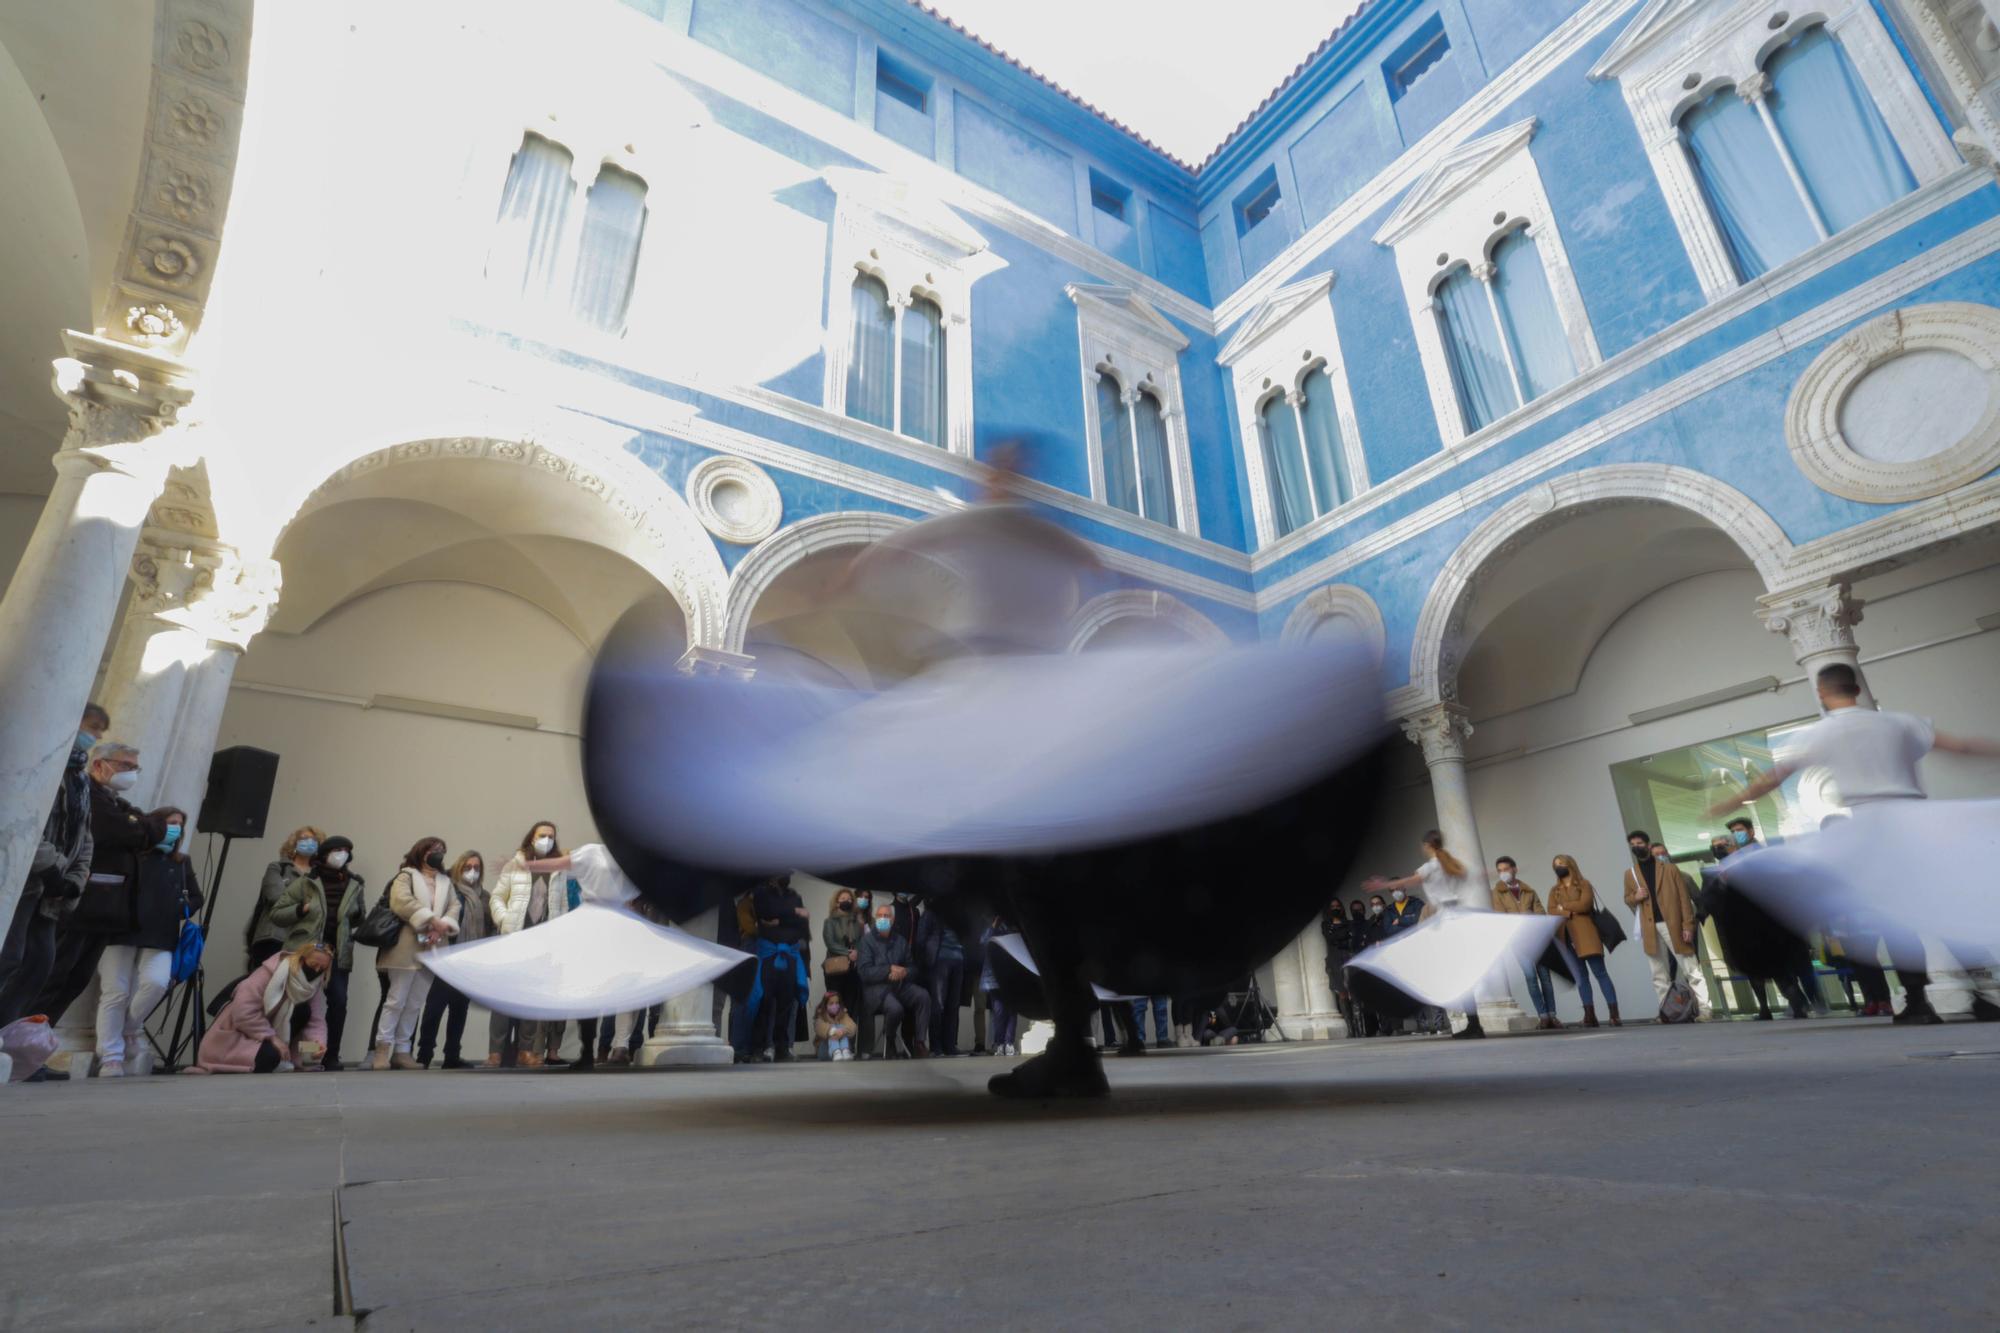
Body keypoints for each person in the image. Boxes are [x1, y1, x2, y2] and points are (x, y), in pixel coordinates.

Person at [1711, 663, 2000, 1025]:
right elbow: (1961, 746)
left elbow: (1775, 777)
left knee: (1897, 917)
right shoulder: (1899, 722)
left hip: (1873, 828)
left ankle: (1917, 1002)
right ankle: (1984, 996)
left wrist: (1731, 802)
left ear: (1821, 692)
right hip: (1917, 823)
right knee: (1943, 910)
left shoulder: (1824, 732)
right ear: (1857, 689)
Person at [32, 741, 171, 1040]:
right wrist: (140, 828)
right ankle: (21, 1044)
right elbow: (115, 830)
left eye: (135, 768)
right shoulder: (89, 795)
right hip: (80, 903)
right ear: (99, 764)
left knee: (75, 980)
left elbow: (152, 825)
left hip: (105, 910)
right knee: (53, 976)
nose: (131, 773)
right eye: (126, 766)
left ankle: (36, 1046)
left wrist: (141, 826)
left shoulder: (115, 802)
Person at [0, 705, 102, 1046]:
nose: (97, 737)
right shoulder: (45, 765)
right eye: (93, 727)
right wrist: (55, 867)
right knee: (10, 956)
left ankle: (11, 1037)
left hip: (53, 892)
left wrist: (75, 876)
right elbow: (26, 820)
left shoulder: (81, 779)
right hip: (29, 882)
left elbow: (84, 835)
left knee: (39, 966)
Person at [91, 806, 200, 1077]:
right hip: (120, 930)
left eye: (179, 824)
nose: (174, 828)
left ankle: (129, 1027)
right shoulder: (132, 854)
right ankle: (111, 1055)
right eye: (169, 822)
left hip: (161, 934)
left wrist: (177, 907)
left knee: (157, 982)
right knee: (115, 991)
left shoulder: (181, 862)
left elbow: (196, 897)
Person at [1370, 830, 1482, 1038]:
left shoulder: (1431, 866)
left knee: (1449, 971)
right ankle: (1473, 1023)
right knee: (1460, 971)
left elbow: (1411, 881)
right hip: (1457, 917)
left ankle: (1472, 1023)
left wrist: (1383, 885)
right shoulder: (1451, 864)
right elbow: (1476, 875)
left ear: (1427, 845)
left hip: (1445, 920)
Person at [368, 836, 461, 1070]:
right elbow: (401, 902)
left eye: (441, 849)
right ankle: (382, 1050)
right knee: (396, 1000)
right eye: (433, 849)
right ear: (421, 851)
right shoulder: (406, 876)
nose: (438, 852)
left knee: (415, 1003)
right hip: (406, 945)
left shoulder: (445, 881)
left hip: (433, 946)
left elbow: (454, 906)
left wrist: (442, 926)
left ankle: (402, 1051)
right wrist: (431, 921)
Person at [487, 821, 567, 1067]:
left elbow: (561, 905)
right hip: (514, 937)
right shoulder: (515, 865)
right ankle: (495, 1053)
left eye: (551, 836)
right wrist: (504, 920)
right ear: (531, 838)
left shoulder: (558, 870)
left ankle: (525, 1051)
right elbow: (497, 897)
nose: (547, 840)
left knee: (531, 998)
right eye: (542, 835)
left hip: (542, 942)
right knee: (503, 999)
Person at [189, 943, 332, 1074]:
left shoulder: (313, 985)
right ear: (301, 959)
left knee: (304, 1014)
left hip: (271, 1033)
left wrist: (318, 1044)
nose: (316, 971)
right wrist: (272, 1038)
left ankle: (285, 1057)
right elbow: (243, 1011)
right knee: (269, 1058)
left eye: (322, 969)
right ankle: (277, 1057)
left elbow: (316, 1021)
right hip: (240, 1032)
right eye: (313, 964)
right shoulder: (269, 972)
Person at [1622, 833, 1712, 1021]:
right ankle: (1667, 1012)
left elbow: (1683, 899)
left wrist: (1687, 925)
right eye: (1633, 844)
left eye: (1639, 843)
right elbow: (1627, 899)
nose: (1636, 846)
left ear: (1647, 845)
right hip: (1649, 927)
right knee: (1658, 972)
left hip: (1672, 924)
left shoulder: (1669, 869)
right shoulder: (1630, 874)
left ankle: (1705, 1009)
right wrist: (1635, 897)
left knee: (1691, 968)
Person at [417, 850, 487, 1069]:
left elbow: (489, 927)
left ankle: (452, 1055)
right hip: (447, 957)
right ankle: (424, 1054)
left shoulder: (484, 897)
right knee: (434, 1008)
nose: (472, 871)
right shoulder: (449, 891)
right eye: (468, 867)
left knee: (459, 1009)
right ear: (458, 868)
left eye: (476, 867)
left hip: (469, 962)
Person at [742, 872, 809, 1062]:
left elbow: (802, 926)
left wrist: (782, 919)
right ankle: (758, 1047)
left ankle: (782, 1048)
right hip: (769, 955)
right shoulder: (761, 894)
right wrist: (795, 913)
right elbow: (766, 913)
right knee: (763, 1001)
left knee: (786, 1003)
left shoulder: (795, 896)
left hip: (789, 956)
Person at [1547, 854, 1619, 1027]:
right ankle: (1590, 1016)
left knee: (1600, 973)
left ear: (1570, 864)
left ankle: (1614, 1015)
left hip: (1587, 934)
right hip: (1566, 937)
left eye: (1561, 863)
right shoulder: (1554, 890)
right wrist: (1569, 911)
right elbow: (1551, 910)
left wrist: (1563, 907)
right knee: (1581, 978)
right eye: (1555, 865)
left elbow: (1585, 905)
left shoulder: (1584, 884)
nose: (1558, 867)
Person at [857, 900, 930, 1057]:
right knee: (896, 1009)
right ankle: (890, 1039)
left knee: (923, 996)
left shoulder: (901, 941)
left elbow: (913, 969)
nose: (883, 918)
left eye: (887, 916)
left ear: (893, 919)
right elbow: (864, 972)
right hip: (877, 991)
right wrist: (888, 969)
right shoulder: (866, 942)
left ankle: (919, 1042)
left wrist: (904, 972)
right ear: (876, 918)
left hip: (899, 986)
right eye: (880, 915)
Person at [1492, 857, 1558, 1030]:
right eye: (1499, 870)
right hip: (1519, 942)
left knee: (1545, 978)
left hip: (1537, 939)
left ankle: (1552, 1016)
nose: (1503, 873)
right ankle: (1542, 1016)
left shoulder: (1528, 890)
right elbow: (1500, 917)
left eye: (1506, 869)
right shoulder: (1497, 892)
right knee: (1531, 977)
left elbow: (1540, 911)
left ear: (1515, 869)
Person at [247, 826, 328, 967]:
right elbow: (276, 897)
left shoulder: (320, 877)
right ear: (294, 843)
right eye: (304, 838)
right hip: (273, 937)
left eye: (314, 840)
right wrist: (305, 906)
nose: (309, 842)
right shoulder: (278, 868)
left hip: (304, 944)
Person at [915, 904, 970, 1055]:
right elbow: (920, 939)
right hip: (939, 961)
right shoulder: (932, 911)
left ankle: (950, 1046)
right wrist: (925, 960)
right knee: (938, 1005)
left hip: (959, 961)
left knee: (953, 1005)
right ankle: (936, 1046)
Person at [821, 886, 868, 1059]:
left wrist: (857, 952)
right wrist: (848, 952)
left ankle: (849, 1046)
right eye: (843, 898)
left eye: (849, 898)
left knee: (851, 1009)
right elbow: (830, 943)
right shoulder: (829, 922)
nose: (846, 901)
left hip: (852, 972)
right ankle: (835, 1047)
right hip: (835, 970)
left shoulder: (857, 922)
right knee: (834, 1009)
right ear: (836, 901)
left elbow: (862, 941)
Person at [979, 913, 1019, 1057]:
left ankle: (1009, 1043)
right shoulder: (990, 923)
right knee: (999, 1011)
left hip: (1012, 974)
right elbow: (983, 941)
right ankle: (999, 1043)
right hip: (995, 976)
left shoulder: (1015, 925)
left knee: (1012, 1010)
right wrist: (994, 925)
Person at [813, 991, 857, 1060]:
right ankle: (836, 1052)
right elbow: (819, 1026)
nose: (834, 1006)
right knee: (833, 1029)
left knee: (841, 1028)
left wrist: (842, 1031)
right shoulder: (821, 1015)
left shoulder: (843, 1014)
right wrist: (833, 1031)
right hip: (825, 1049)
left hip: (843, 1048)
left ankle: (845, 1051)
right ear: (825, 1005)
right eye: (831, 1003)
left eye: (837, 1003)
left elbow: (852, 1026)